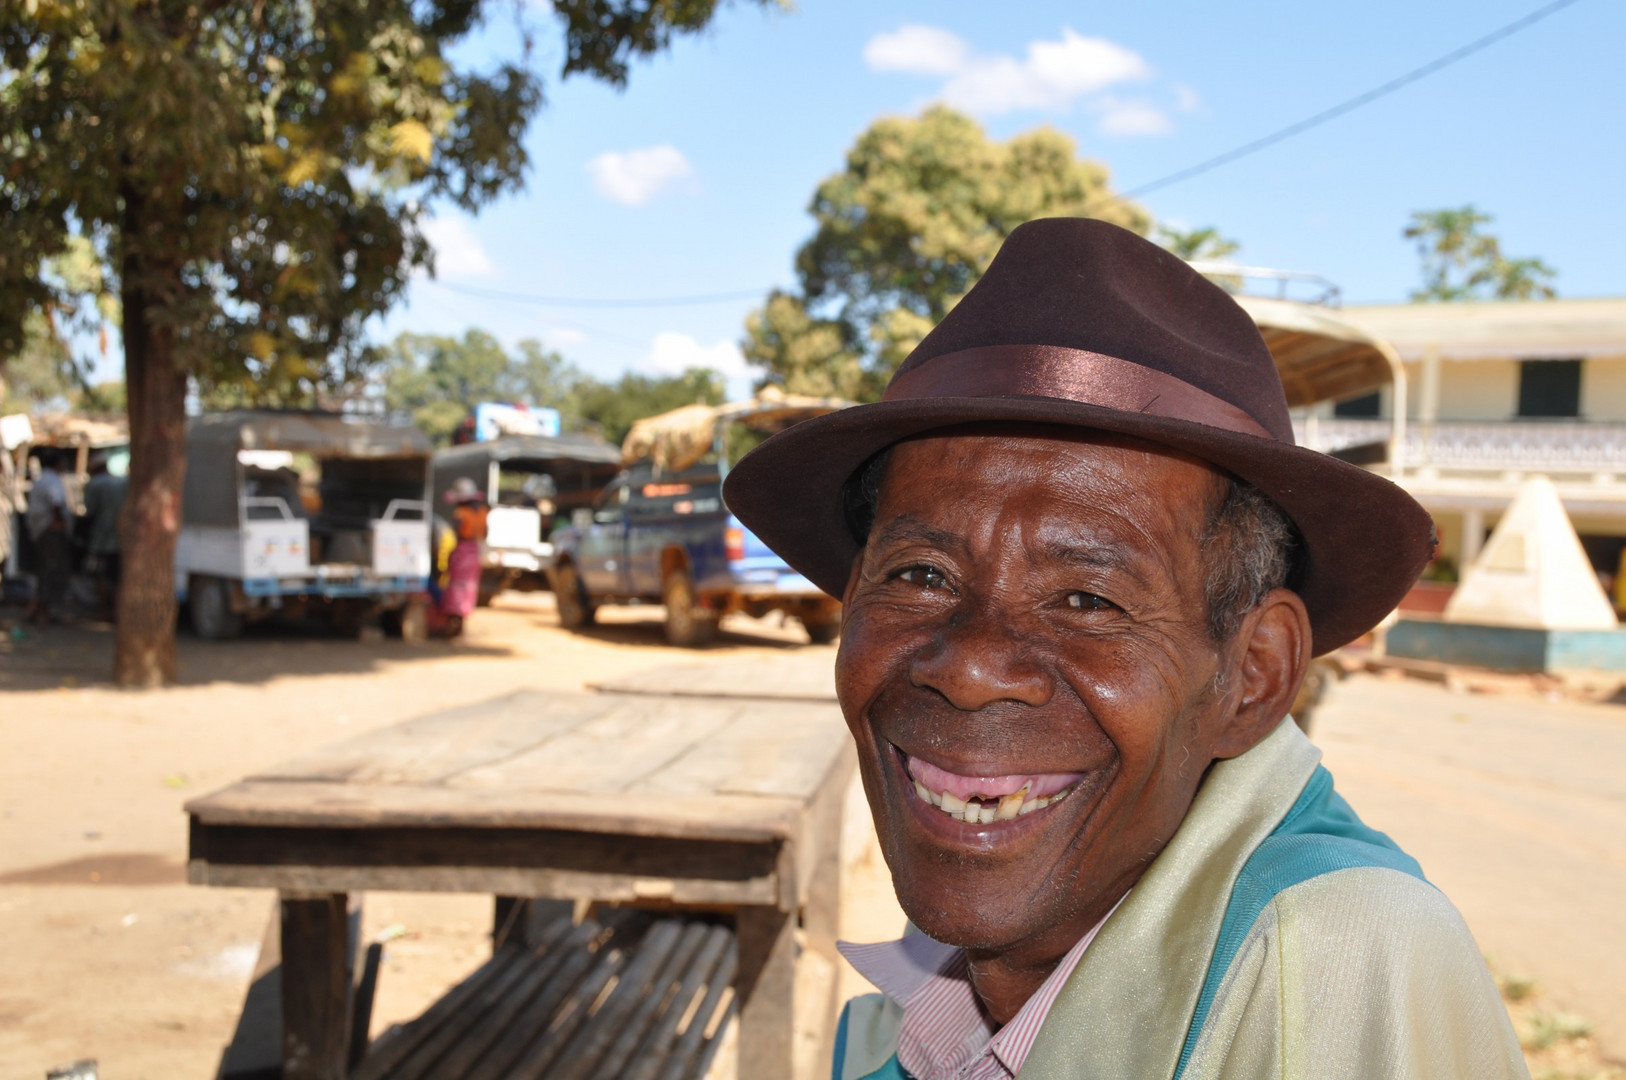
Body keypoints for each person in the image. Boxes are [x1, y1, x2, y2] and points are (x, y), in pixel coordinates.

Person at [722, 219, 1527, 1079]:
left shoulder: (1334, 963)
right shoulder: (946, 984)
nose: (967, 666)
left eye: (1085, 599)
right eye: (920, 575)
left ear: (1251, 678)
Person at [429, 477, 487, 637]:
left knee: (455, 586)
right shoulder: (482, 513)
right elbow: (485, 533)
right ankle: (459, 622)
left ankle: (453, 623)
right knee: (468, 588)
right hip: (475, 552)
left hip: (462, 552)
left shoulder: (461, 513)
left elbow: (456, 534)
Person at [24, 448, 72, 625]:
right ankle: (42, 613)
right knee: (51, 571)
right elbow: (56, 503)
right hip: (50, 531)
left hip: (41, 531)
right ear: (59, 464)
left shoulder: (41, 479)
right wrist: (60, 523)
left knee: (44, 570)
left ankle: (37, 610)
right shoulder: (52, 480)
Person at [80, 451, 127, 617]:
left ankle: (104, 608)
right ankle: (117, 609)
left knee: (100, 575)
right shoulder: (122, 482)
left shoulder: (95, 484)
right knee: (117, 577)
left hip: (101, 538)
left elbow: (90, 511)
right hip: (121, 537)